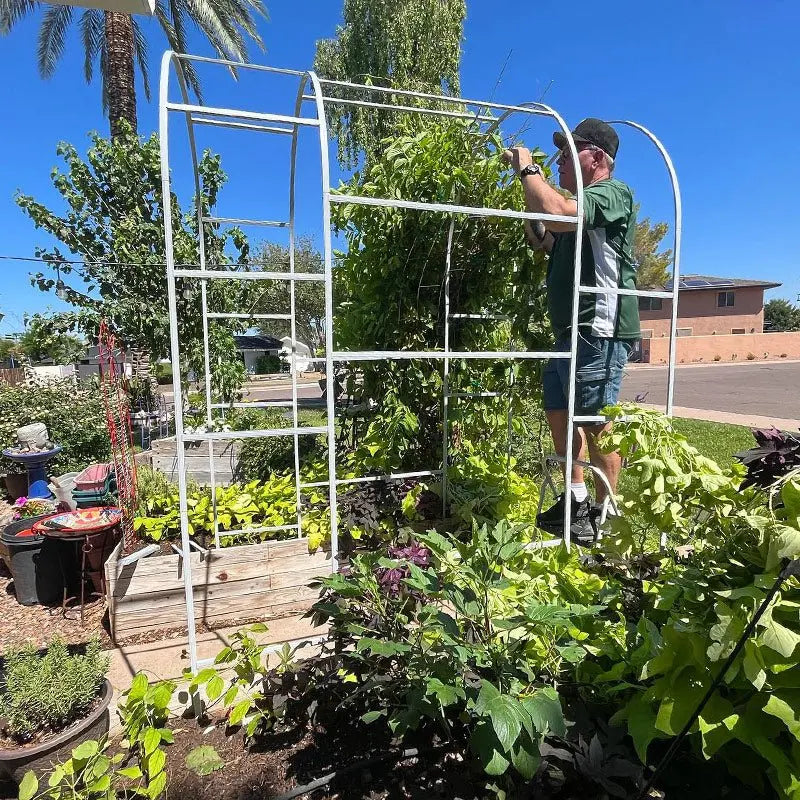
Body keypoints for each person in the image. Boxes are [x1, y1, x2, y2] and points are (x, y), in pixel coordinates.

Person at [502, 118, 639, 541]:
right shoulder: (578, 209)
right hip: (569, 331)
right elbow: (545, 237)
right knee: (559, 412)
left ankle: (606, 515)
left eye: (568, 152)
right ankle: (576, 499)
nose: (559, 159)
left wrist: (529, 169)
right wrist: (529, 195)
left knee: (595, 421)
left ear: (596, 158)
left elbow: (558, 214)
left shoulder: (611, 193)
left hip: (598, 329)